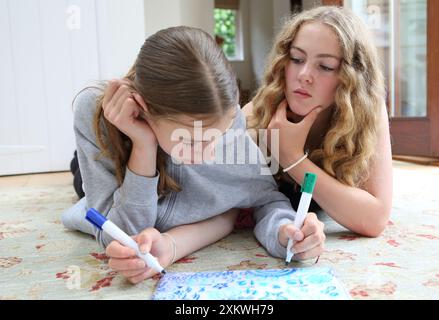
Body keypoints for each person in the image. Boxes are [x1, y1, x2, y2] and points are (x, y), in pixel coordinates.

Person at [62, 26, 325, 284]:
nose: (206, 154)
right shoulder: (95, 112)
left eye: (216, 137)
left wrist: (285, 233)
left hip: (174, 185)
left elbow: (264, 198)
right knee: (81, 181)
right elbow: (121, 235)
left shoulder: (227, 116)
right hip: (120, 156)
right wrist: (143, 144)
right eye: (189, 141)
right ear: (144, 110)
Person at [244, 6, 393, 237]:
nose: (304, 74)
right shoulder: (259, 111)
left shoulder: (367, 109)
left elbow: (375, 219)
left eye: (325, 66)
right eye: (296, 59)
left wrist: (291, 157)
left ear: (350, 79)